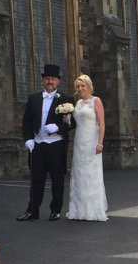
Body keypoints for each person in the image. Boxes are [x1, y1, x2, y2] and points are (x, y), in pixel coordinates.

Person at [18, 64, 72, 221]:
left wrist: (58, 127)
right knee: (36, 180)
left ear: (58, 82)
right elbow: (26, 122)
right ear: (42, 80)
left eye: (53, 79)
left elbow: (71, 123)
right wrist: (28, 138)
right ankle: (32, 211)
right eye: (47, 78)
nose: (50, 81)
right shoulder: (33, 99)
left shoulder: (65, 100)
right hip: (38, 145)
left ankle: (55, 210)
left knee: (57, 180)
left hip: (56, 145)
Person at [64, 74, 108, 221]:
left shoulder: (96, 101)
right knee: (79, 173)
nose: (80, 88)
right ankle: (79, 210)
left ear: (89, 86)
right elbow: (75, 123)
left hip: (92, 141)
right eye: (78, 86)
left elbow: (101, 123)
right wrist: (67, 119)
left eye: (83, 85)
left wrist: (100, 142)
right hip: (79, 141)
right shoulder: (77, 103)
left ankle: (93, 211)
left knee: (91, 174)